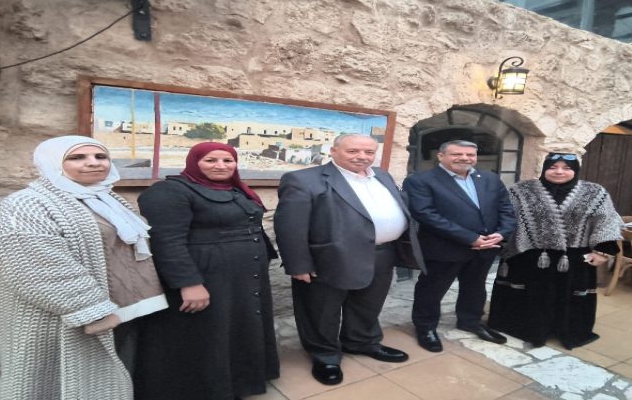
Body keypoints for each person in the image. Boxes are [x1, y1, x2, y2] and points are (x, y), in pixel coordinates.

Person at [0, 135, 167, 400]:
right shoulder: (26, 205)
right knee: (59, 384)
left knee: (109, 380)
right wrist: (89, 308)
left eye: (100, 157)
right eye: (77, 157)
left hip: (122, 308)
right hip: (65, 316)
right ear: (52, 163)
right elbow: (35, 264)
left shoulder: (107, 199)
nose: (93, 163)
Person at [274, 133, 424, 386]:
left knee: (368, 304)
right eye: (353, 151)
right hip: (329, 258)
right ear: (333, 151)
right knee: (322, 310)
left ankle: (361, 341)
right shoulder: (303, 179)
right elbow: (289, 226)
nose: (362, 157)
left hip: (382, 254)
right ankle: (325, 354)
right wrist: (298, 264)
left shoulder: (382, 175)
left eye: (368, 152)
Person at [134, 142, 279, 400]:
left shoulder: (236, 189)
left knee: (236, 328)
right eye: (211, 160)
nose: (221, 166)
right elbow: (167, 241)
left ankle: (237, 383)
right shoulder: (169, 192)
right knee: (209, 334)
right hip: (205, 276)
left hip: (240, 277)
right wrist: (189, 283)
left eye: (228, 160)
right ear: (194, 162)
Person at [488, 152, 623, 350]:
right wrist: (499, 239)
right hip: (529, 255)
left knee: (568, 295)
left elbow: (607, 220)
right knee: (531, 294)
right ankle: (528, 329)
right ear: (544, 169)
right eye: (553, 167)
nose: (559, 172)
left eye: (566, 168)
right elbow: (506, 216)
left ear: (575, 170)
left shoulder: (595, 192)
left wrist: (602, 251)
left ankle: (566, 330)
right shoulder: (521, 190)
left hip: (572, 257)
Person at [403, 140, 516, 352]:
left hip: (486, 247)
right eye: (457, 154)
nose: (464, 158)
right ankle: (426, 327)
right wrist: (470, 238)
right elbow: (425, 214)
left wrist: (501, 233)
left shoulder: (490, 178)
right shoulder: (420, 181)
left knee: (475, 287)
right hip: (444, 248)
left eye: (470, 154)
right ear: (441, 156)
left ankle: (470, 321)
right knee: (431, 290)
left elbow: (506, 209)